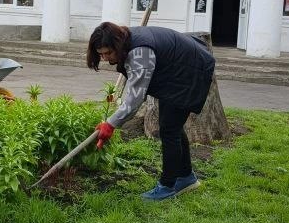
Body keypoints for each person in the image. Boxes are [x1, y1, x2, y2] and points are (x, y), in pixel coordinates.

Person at [87, 22, 215, 201]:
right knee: (172, 127)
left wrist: (110, 124)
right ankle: (186, 177)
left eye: (108, 53)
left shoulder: (140, 53)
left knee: (169, 130)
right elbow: (134, 86)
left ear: (117, 44)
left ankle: (168, 186)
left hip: (190, 70)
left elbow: (135, 99)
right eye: (100, 54)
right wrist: (112, 120)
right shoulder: (126, 42)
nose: (105, 58)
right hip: (177, 69)